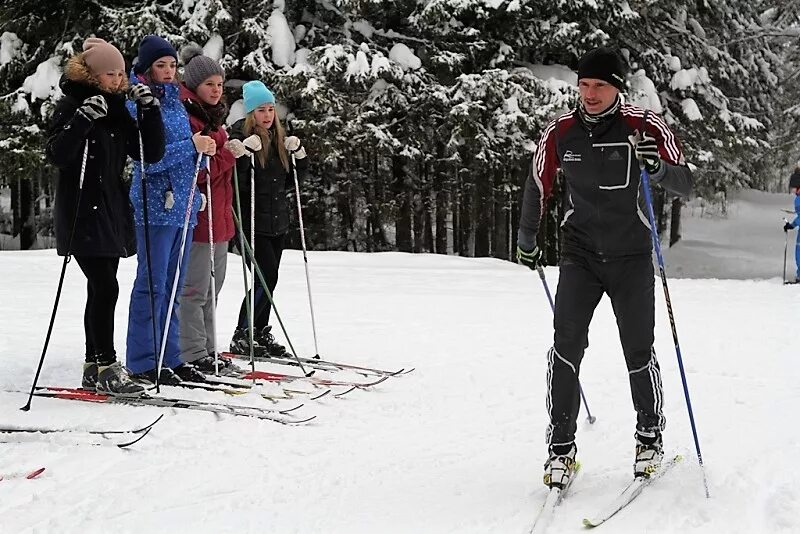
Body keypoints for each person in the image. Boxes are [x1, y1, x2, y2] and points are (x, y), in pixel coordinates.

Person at [516, 47, 693, 488]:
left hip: (631, 256)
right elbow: (537, 183)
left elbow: (686, 183)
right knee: (565, 346)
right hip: (580, 255)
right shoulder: (561, 132)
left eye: (600, 85)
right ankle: (560, 449)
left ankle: (649, 437)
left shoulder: (643, 126)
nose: (590, 94)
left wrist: (657, 168)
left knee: (638, 349)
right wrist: (527, 239)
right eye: (584, 84)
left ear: (617, 87)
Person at [46, 38, 164, 395]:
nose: (117, 80)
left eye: (120, 74)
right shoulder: (71, 105)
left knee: (100, 287)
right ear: (93, 75)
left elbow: (149, 153)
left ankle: (93, 365)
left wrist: (149, 113)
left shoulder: (116, 108)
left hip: (110, 207)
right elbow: (57, 154)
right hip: (82, 208)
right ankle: (106, 364)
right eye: (109, 74)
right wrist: (81, 120)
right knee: (105, 286)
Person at [125, 35, 214, 385]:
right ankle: (144, 359)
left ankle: (170, 355)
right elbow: (146, 159)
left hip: (184, 205)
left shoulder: (176, 101)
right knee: (153, 285)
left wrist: (202, 152)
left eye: (172, 65)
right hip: (155, 206)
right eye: (160, 65)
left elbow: (185, 151)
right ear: (146, 68)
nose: (167, 71)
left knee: (174, 285)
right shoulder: (139, 103)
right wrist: (190, 146)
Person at [228, 80, 308, 357]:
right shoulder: (239, 136)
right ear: (251, 113)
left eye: (271, 109)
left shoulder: (278, 139)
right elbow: (235, 182)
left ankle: (259, 330)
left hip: (276, 222)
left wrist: (299, 156)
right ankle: (243, 332)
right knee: (265, 276)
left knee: (269, 279)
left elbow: (290, 182)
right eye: (261, 109)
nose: (267, 115)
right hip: (252, 222)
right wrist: (243, 155)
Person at [176, 44, 240, 374]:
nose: (216, 90)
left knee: (212, 290)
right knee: (195, 290)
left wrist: (226, 151)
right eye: (209, 85)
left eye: (219, 84)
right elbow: (198, 171)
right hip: (201, 220)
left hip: (220, 222)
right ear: (194, 86)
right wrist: (228, 154)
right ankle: (192, 351)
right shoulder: (189, 119)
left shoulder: (213, 121)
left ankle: (208, 349)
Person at [784, 169, 800, 283]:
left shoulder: (799, 199)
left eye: (793, 187)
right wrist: (792, 225)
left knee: (799, 253)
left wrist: (793, 225)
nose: (792, 190)